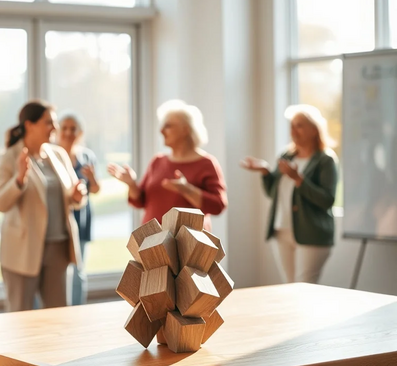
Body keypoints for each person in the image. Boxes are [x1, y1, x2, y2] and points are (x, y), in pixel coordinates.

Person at [0, 100, 87, 312]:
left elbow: (75, 198)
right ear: (29, 125)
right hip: (22, 250)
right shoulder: (10, 157)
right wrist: (19, 179)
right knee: (20, 316)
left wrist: (77, 195)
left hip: (58, 248)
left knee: (58, 316)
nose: (55, 128)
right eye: (49, 123)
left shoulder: (58, 154)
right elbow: (0, 202)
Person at [241, 104, 338, 283]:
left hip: (311, 234)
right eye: (292, 125)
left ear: (314, 129)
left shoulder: (325, 160)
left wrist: (299, 179)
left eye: (299, 125)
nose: (293, 130)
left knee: (305, 287)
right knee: (290, 287)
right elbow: (273, 194)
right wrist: (265, 171)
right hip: (282, 231)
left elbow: (327, 200)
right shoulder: (287, 155)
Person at [108, 99, 227, 231]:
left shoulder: (206, 163)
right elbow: (140, 201)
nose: (161, 131)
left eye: (168, 126)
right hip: (153, 242)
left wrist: (186, 189)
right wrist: (131, 184)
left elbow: (218, 205)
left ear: (185, 130)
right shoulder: (157, 161)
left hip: (189, 245)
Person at [56, 113, 100, 306]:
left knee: (78, 269)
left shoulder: (87, 156)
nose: (67, 132)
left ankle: (77, 308)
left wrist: (92, 178)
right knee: (58, 270)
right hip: (58, 219)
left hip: (81, 218)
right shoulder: (52, 155)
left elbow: (96, 189)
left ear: (80, 132)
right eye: (64, 127)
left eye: (72, 128)